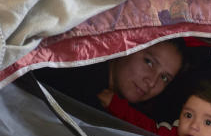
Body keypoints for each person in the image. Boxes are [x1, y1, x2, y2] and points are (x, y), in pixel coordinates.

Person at [35, 40, 184, 115]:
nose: (152, 82)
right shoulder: (69, 73)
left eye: (164, 78)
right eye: (149, 62)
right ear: (130, 46)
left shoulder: (127, 118)